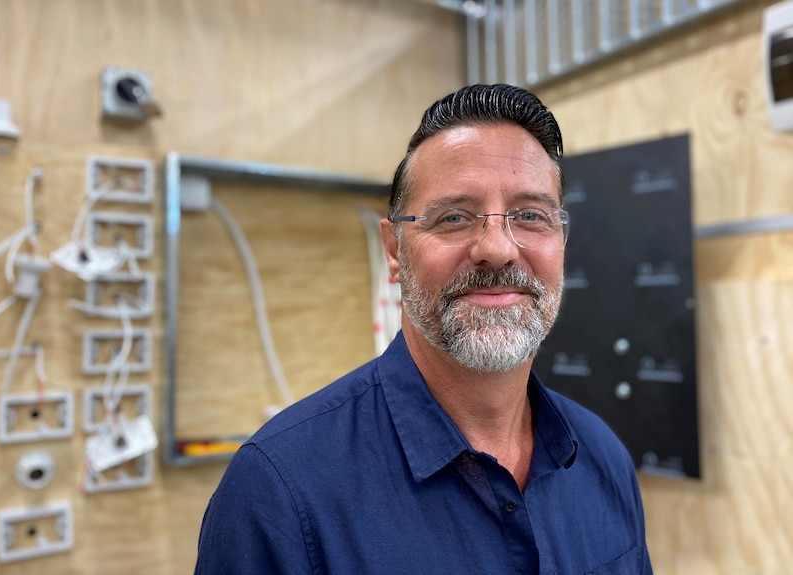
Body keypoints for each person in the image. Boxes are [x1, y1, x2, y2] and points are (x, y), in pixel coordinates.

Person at [194, 84, 652, 574]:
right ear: (395, 251)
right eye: (454, 217)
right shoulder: (278, 491)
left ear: (560, 240)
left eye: (530, 216)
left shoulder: (603, 457)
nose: (497, 249)